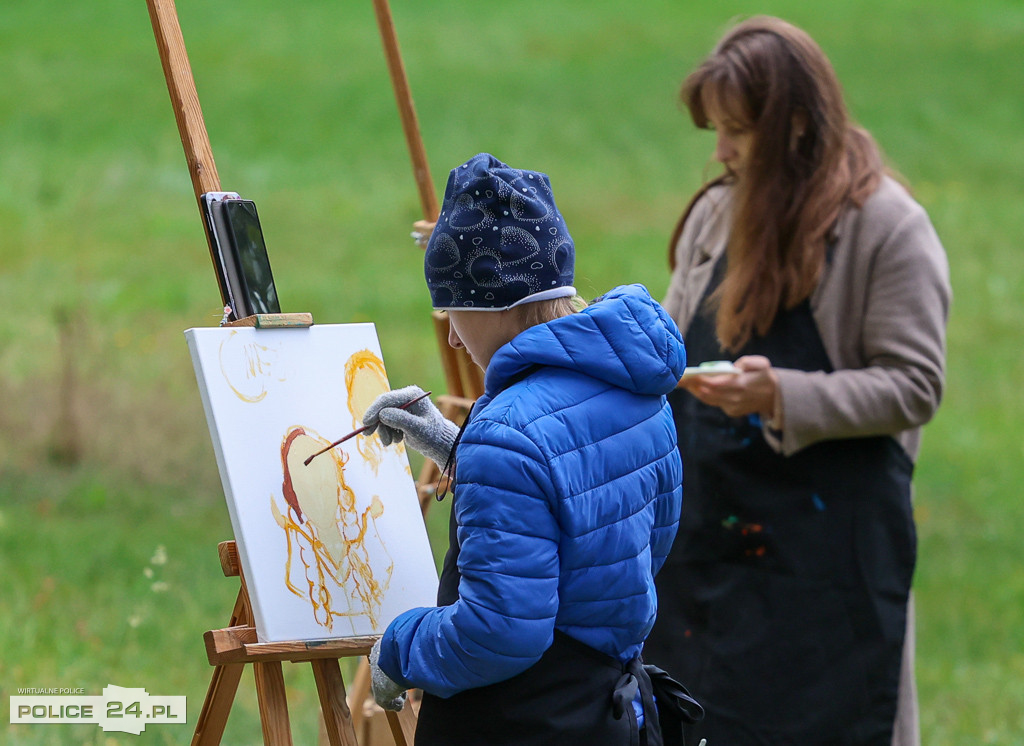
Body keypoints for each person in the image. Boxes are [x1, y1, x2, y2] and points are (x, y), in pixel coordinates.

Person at [643, 16, 951, 746]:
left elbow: (915, 385)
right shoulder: (715, 216)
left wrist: (783, 394)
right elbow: (663, 341)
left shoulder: (889, 230)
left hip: (825, 571)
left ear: (798, 127)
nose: (720, 153)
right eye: (717, 131)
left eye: (739, 134)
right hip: (706, 557)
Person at [362, 152, 699, 745]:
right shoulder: (639, 398)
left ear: (489, 303)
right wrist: (454, 445)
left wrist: (399, 647)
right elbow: (600, 538)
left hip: (519, 725)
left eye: (451, 310)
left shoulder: (510, 434)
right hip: (608, 717)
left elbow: (499, 632)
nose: (451, 335)